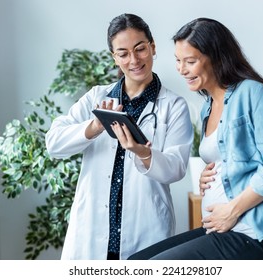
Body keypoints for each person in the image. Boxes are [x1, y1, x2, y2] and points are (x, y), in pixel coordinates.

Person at [128, 18, 263, 260]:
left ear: (218, 58)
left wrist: (232, 210)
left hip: (258, 234)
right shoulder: (208, 106)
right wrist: (212, 173)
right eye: (178, 61)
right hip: (224, 228)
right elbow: (233, 158)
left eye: (190, 61)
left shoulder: (253, 93)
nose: (181, 69)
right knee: (135, 262)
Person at [45, 13, 193, 260]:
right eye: (123, 53)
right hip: (92, 232)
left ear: (152, 47)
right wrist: (94, 127)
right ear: (115, 58)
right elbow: (54, 143)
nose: (133, 60)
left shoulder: (173, 106)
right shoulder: (96, 97)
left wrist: (143, 153)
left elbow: (176, 168)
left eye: (140, 49)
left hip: (146, 229)